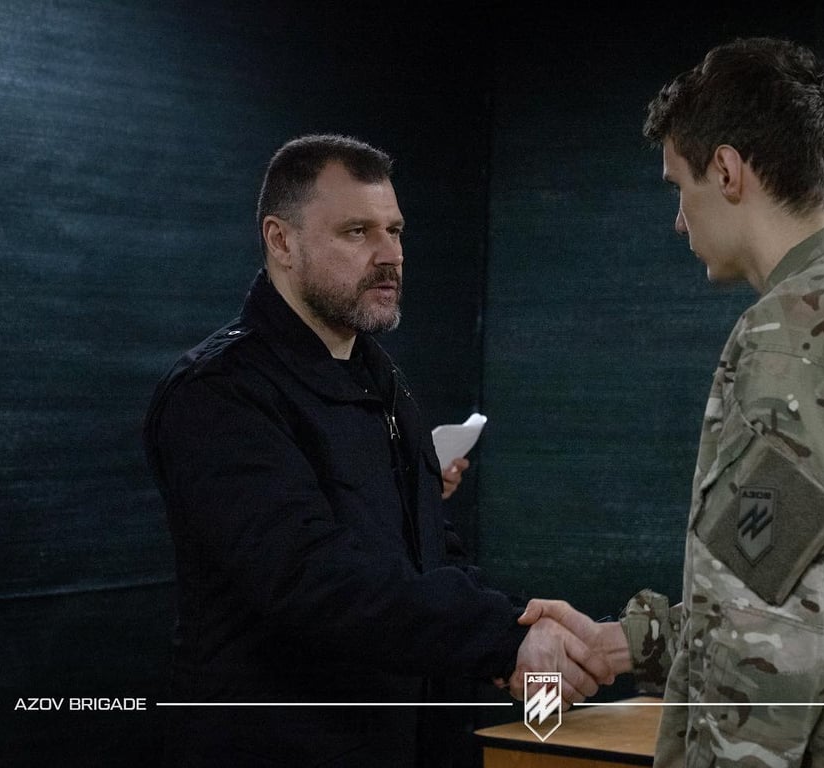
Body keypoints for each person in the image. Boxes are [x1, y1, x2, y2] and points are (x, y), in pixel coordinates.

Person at [520, 37, 824, 765]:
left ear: (726, 170)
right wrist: (632, 642)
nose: (679, 219)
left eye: (678, 187)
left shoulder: (795, 336)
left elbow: (768, 652)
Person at [143, 134, 610, 767]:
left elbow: (428, 554)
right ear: (281, 241)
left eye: (395, 231)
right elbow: (312, 579)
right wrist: (504, 640)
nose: (390, 255)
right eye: (357, 232)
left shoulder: (380, 379)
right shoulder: (219, 393)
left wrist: (518, 625)